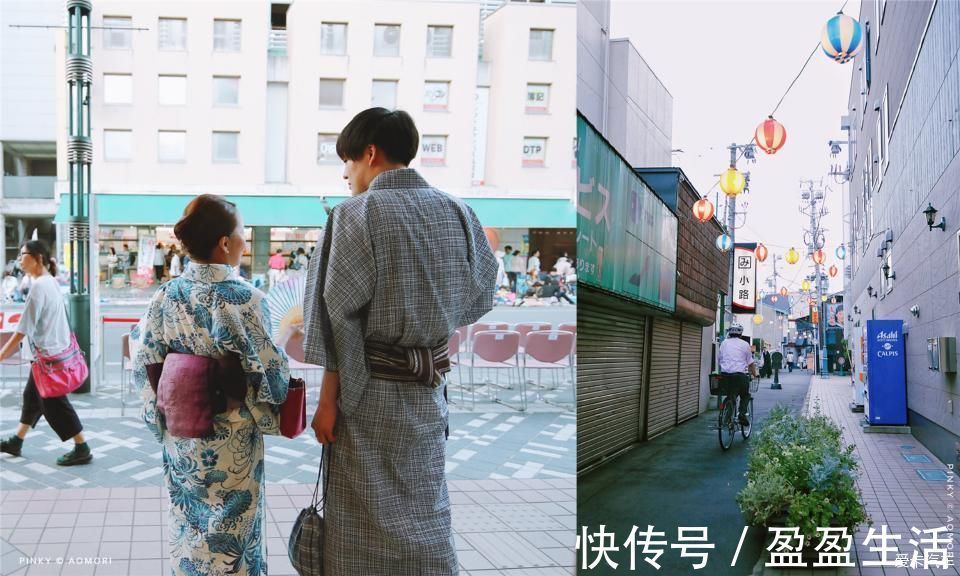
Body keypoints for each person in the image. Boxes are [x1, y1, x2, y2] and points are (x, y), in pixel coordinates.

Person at [303, 107, 497, 574]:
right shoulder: (459, 212)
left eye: (348, 162)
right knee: (424, 503)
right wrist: (429, 331)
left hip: (366, 396)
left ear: (369, 153)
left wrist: (327, 401)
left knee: (358, 516)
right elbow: (482, 291)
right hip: (427, 392)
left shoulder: (355, 214)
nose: (347, 174)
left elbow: (336, 316)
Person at [131, 195, 291, 576]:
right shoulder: (248, 300)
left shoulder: (165, 296)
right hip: (234, 438)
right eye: (241, 234)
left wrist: (161, 419)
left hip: (184, 436)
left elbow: (146, 362)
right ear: (223, 242)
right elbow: (270, 376)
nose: (244, 241)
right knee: (235, 530)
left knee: (190, 526)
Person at [0, 240, 92, 466]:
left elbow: (22, 331)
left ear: (38, 258)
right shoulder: (49, 282)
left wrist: (1, 355)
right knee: (31, 399)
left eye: (24, 255)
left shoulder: (39, 287)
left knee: (54, 405)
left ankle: (82, 447)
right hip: (49, 356)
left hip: (48, 360)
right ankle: (17, 440)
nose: (20, 259)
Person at [717, 323, 756, 426]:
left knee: (731, 394)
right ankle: (741, 415)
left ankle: (728, 411)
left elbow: (719, 359)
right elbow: (750, 363)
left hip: (725, 375)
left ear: (729, 333)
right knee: (745, 395)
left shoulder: (724, 343)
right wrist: (755, 374)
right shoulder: (745, 344)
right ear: (740, 333)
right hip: (739, 375)